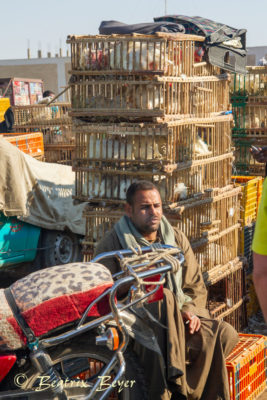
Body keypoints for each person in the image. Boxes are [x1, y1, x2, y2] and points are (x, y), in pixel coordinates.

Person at [94, 180, 239, 400]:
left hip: (178, 321)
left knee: (225, 334)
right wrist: (133, 283)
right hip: (137, 328)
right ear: (129, 210)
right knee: (165, 299)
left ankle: (187, 391)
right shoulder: (111, 245)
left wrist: (190, 310)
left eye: (157, 206)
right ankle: (168, 391)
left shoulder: (175, 239)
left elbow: (195, 285)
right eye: (145, 207)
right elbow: (104, 297)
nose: (153, 212)